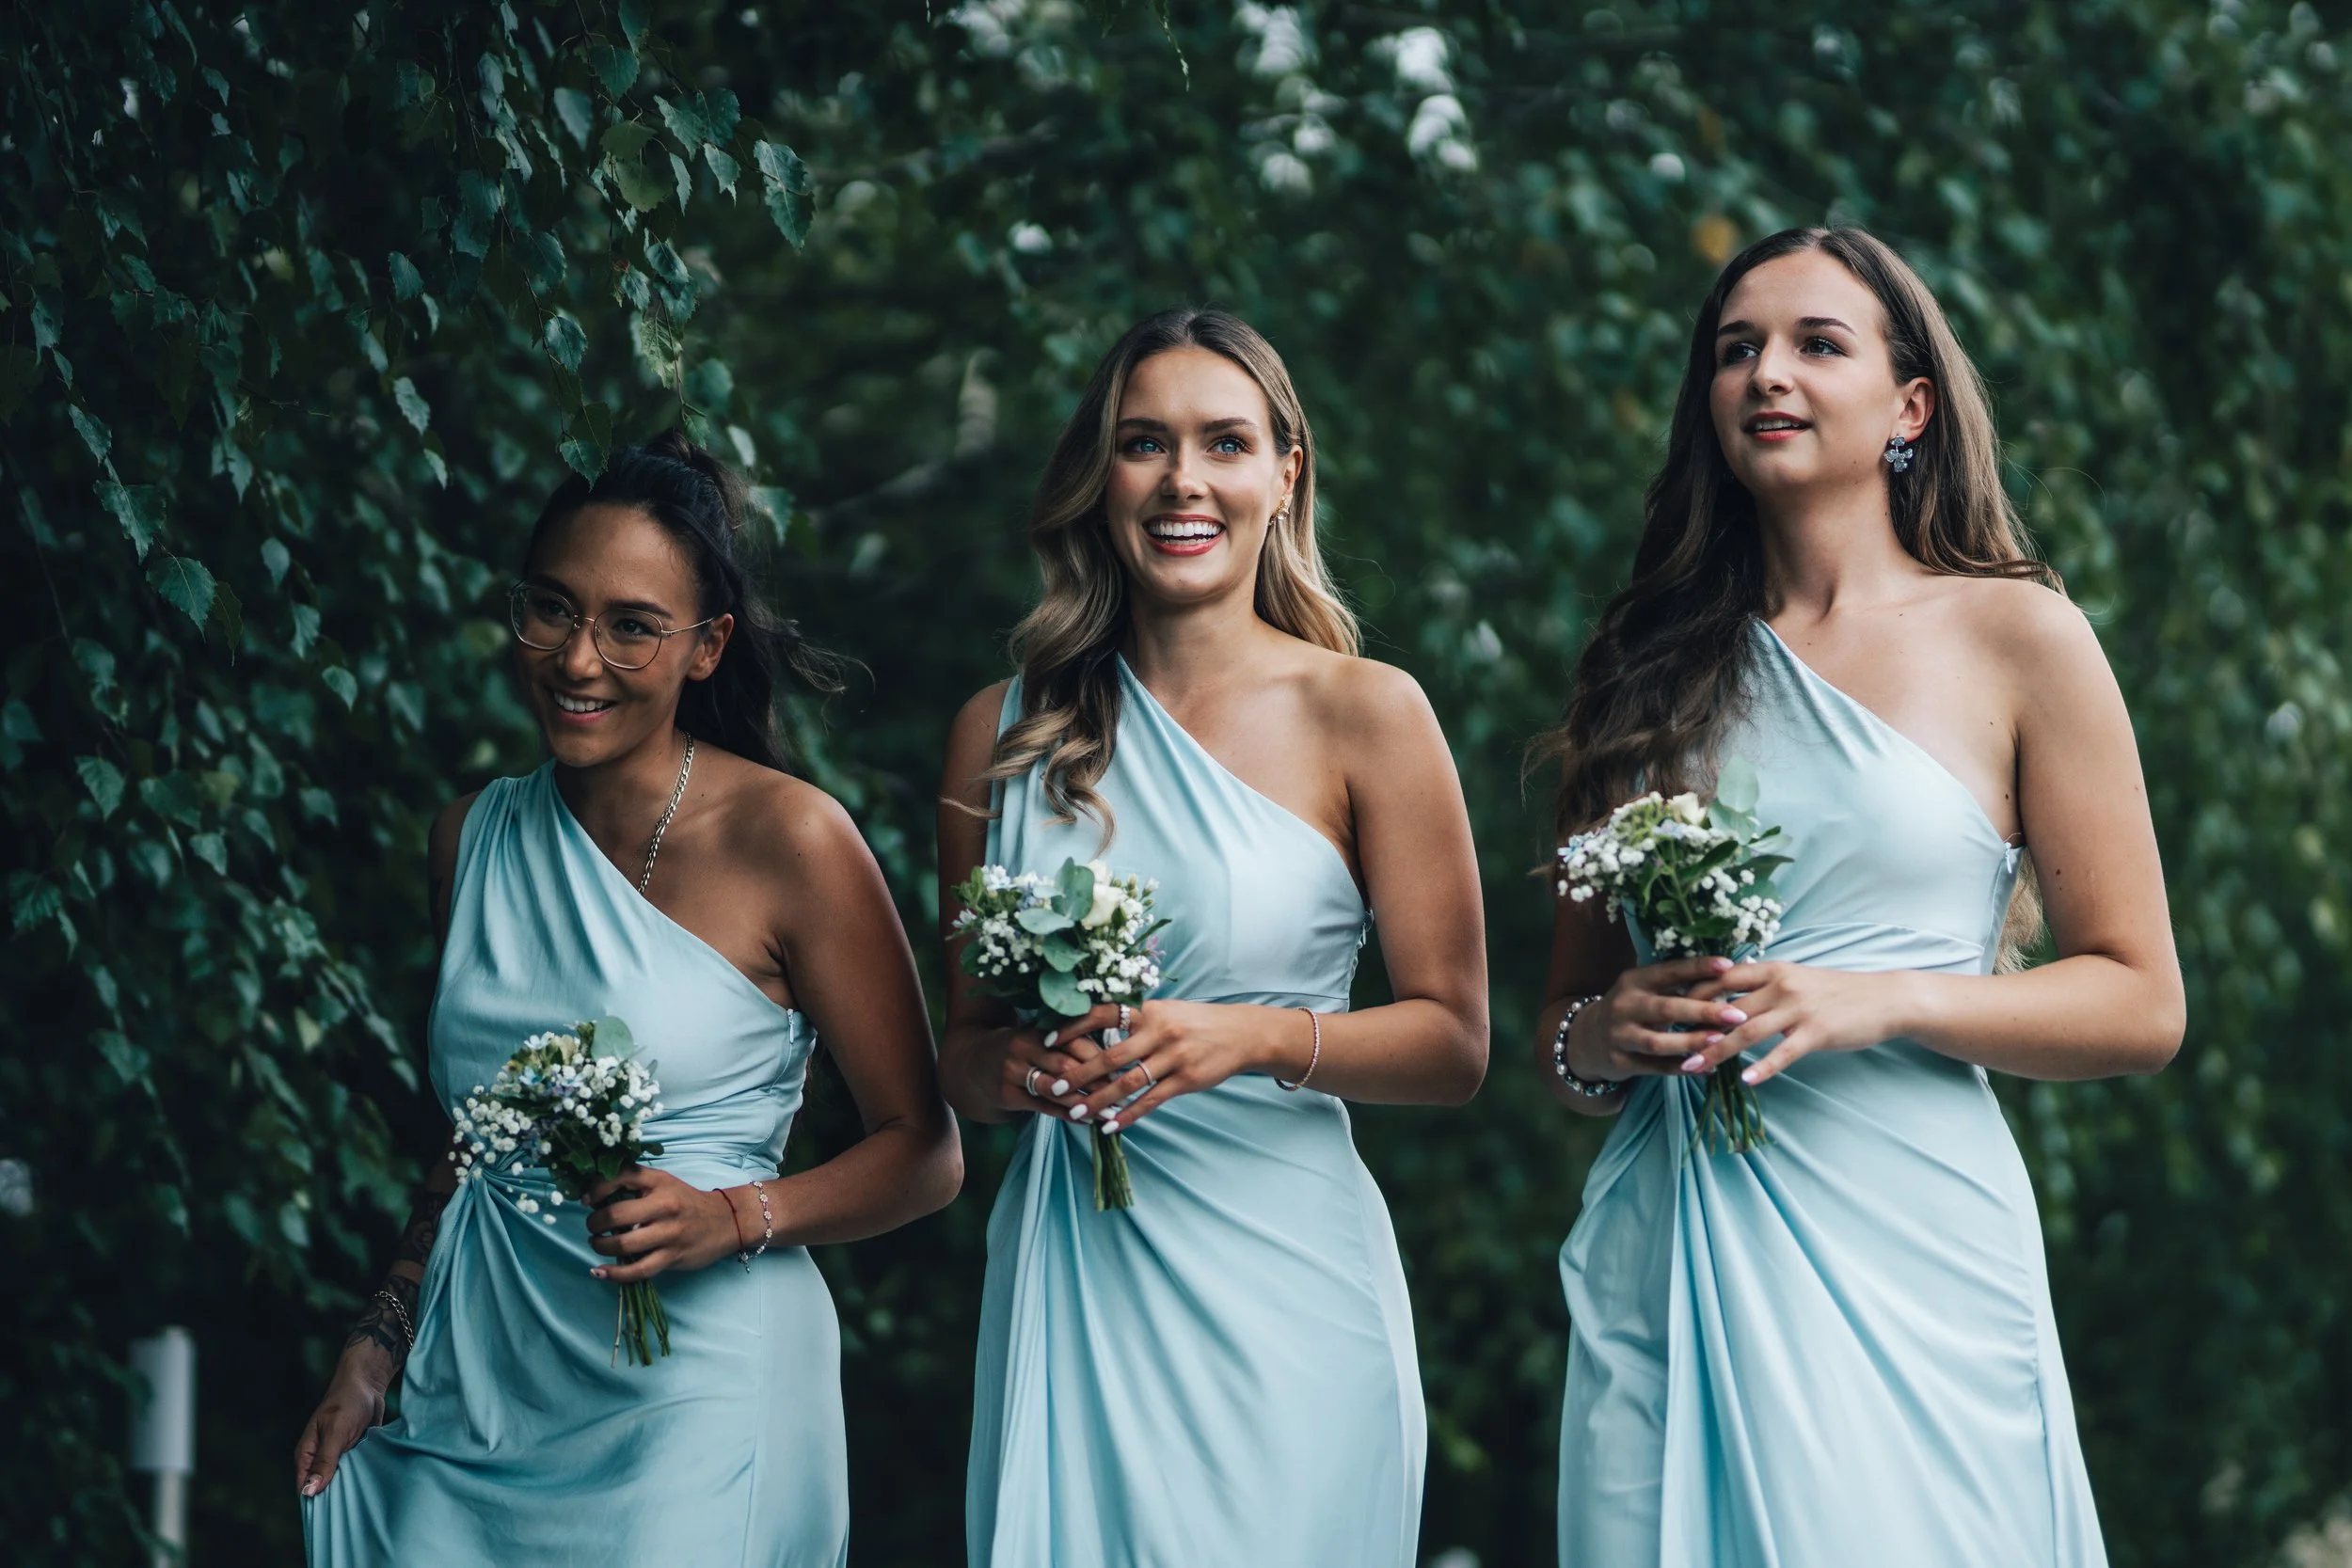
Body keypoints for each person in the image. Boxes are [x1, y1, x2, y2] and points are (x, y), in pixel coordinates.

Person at [1536, 227, 2185, 1567]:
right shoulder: (1642, 667)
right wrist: (1608, 1035)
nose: (1766, 373)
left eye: (1815, 343)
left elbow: (2139, 997)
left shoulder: (2019, 634)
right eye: (1736, 349)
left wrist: (1884, 995)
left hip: (1914, 1243)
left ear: (1910, 406)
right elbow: (1564, 1026)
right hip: (1674, 1238)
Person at [294, 432, 960, 1565]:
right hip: (485, 1374)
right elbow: (472, 1142)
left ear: (707, 648)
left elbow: (926, 1150)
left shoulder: (790, 837)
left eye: (631, 625)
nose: (577, 658)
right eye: (549, 608)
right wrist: (378, 1339)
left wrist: (733, 1214)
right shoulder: (472, 835)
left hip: (697, 1388)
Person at [937, 309, 1489, 1568]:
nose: (1184, 478)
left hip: (1287, 1282)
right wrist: (1016, 1072)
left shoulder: (1369, 712)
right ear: (1102, 476)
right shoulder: (998, 730)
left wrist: (1245, 1036)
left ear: (1283, 472)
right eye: (1145, 442)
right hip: (1077, 1267)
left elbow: (1454, 1042)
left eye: (1223, 441)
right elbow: (960, 1051)